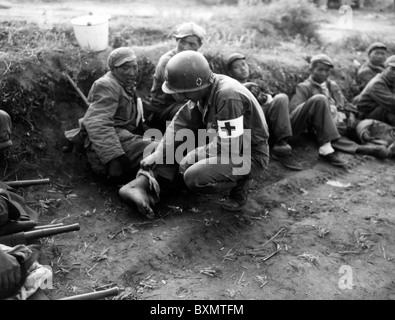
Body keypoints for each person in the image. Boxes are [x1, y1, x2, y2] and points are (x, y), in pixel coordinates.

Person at [119, 51, 270, 219]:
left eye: (184, 92)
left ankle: (240, 183)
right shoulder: (207, 87)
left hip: (250, 154)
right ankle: (142, 186)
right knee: (180, 144)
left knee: (194, 177)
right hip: (231, 146)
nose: (180, 96)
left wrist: (191, 157)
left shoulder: (227, 96)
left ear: (197, 85)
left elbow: (228, 146)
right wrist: (159, 153)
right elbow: (180, 123)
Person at [66, 47, 158, 181]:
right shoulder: (106, 85)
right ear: (113, 69)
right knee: (160, 151)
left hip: (123, 136)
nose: (132, 72)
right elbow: (97, 123)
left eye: (134, 67)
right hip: (110, 143)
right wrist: (113, 159)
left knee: (163, 147)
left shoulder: (125, 84)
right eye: (125, 68)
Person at [291, 53, 391, 161]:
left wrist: (351, 114)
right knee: (332, 136)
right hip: (326, 126)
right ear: (311, 70)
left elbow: (345, 103)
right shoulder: (304, 87)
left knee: (367, 126)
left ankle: (385, 142)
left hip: (343, 121)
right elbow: (298, 110)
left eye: (327, 70)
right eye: (320, 70)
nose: (324, 74)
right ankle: (363, 149)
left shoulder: (331, 85)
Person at [225, 52, 302, 171]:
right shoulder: (230, 87)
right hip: (251, 132)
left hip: (269, 126)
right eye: (236, 67)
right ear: (230, 73)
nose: (242, 68)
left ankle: (282, 146)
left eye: (243, 64)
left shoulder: (258, 84)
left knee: (281, 98)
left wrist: (266, 98)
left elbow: (273, 100)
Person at [143, 22, 206, 133]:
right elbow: (180, 96)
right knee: (194, 111)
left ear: (199, 46)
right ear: (176, 41)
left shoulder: (198, 60)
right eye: (182, 42)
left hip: (183, 104)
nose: (186, 47)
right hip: (162, 109)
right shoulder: (167, 62)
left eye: (191, 44)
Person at [354, 55, 395, 126]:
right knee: (388, 109)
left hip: (376, 111)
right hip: (365, 116)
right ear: (385, 68)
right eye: (392, 69)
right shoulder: (377, 83)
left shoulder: (390, 80)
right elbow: (392, 102)